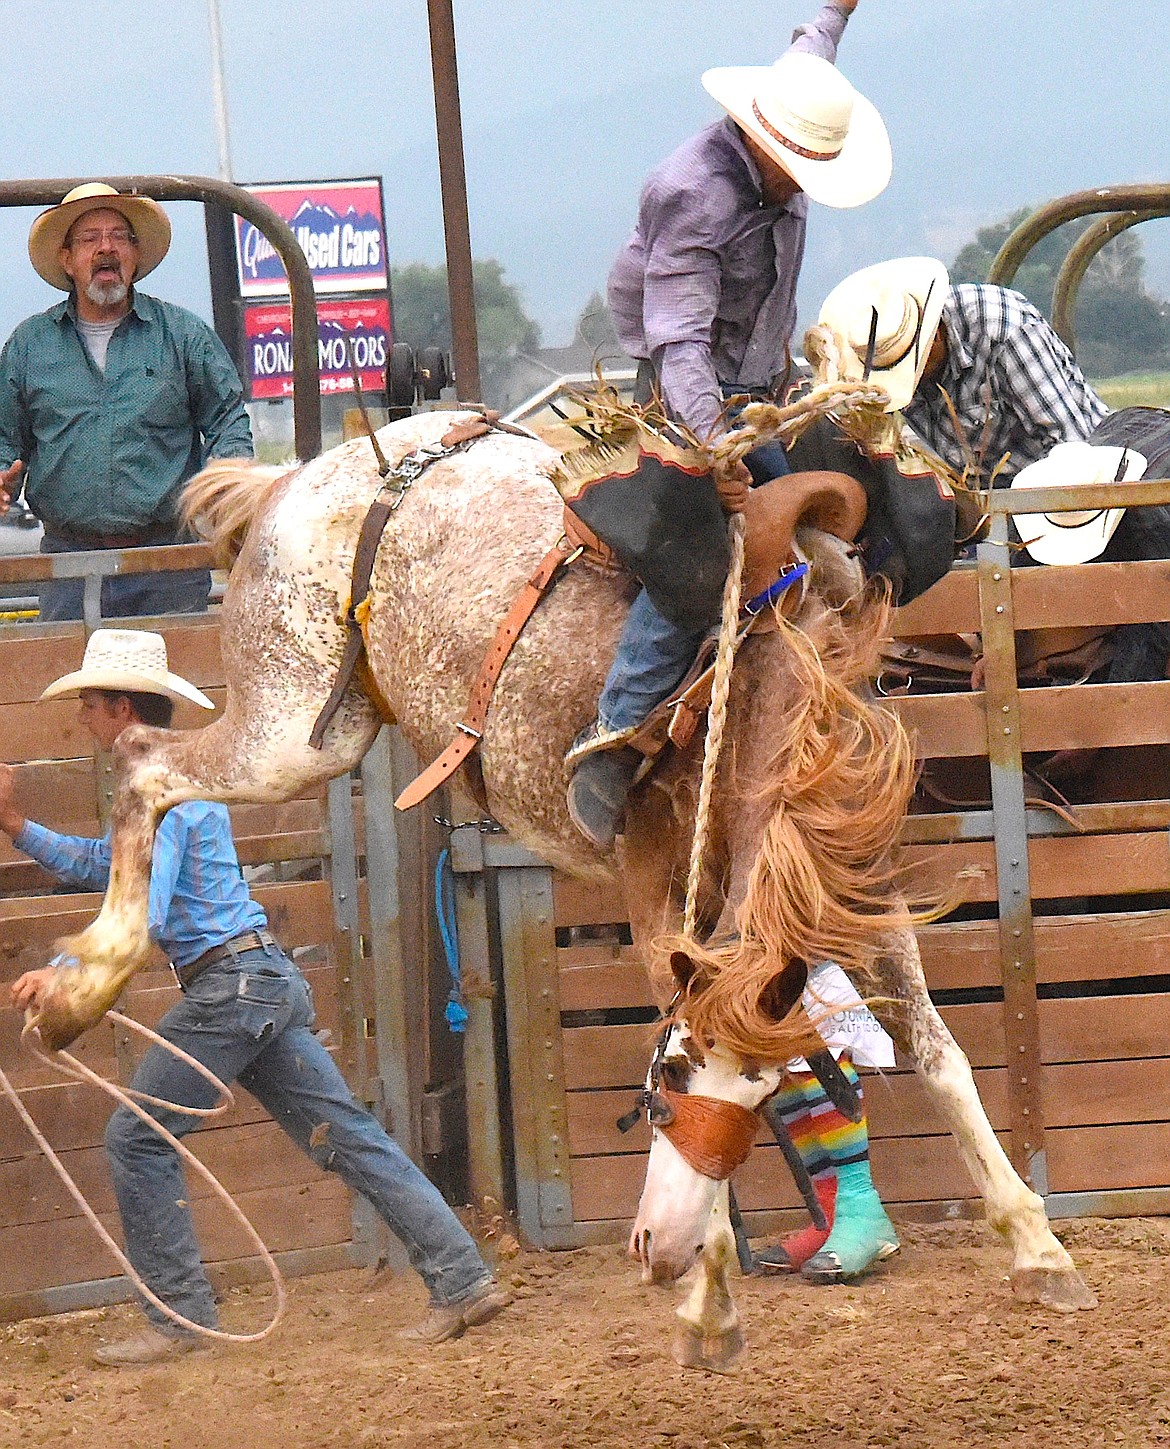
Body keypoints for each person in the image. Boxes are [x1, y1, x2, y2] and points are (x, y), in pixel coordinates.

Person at [3, 629, 507, 1366]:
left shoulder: (162, 786)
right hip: (256, 980)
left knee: (136, 1135)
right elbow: (112, 868)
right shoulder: (163, 782)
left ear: (118, 707)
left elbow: (143, 905)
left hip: (232, 988)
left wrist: (63, 971)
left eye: (88, 703)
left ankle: (180, 1316)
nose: (82, 717)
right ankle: (463, 1277)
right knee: (348, 1137)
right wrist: (18, 828)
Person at [568, 0, 891, 850]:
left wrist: (835, 10)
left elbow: (811, 52)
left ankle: (831, 697)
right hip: (687, 392)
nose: (802, 181)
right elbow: (679, 340)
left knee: (838, 525)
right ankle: (613, 733)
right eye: (796, 166)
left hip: (759, 388)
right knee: (708, 558)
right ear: (759, 140)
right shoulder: (695, 196)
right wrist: (714, 452)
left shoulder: (793, 115)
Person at [0, 183, 255, 620]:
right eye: (90, 238)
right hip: (66, 563)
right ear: (67, 259)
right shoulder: (29, 346)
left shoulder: (182, 335)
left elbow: (227, 420)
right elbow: (5, 438)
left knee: (167, 684)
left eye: (120, 237)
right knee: (71, 682)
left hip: (168, 562)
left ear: (135, 257)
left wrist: (231, 483)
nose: (106, 248)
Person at [817, 256, 1109, 486]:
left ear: (936, 335)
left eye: (911, 368)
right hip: (981, 497)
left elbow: (1074, 446)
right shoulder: (875, 348)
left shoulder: (1006, 331)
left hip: (1066, 487)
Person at [754, 961, 900, 1283]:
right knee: (783, 1070)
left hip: (807, 939)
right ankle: (833, 1216)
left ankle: (860, 1210)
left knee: (819, 1055)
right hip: (755, 952)